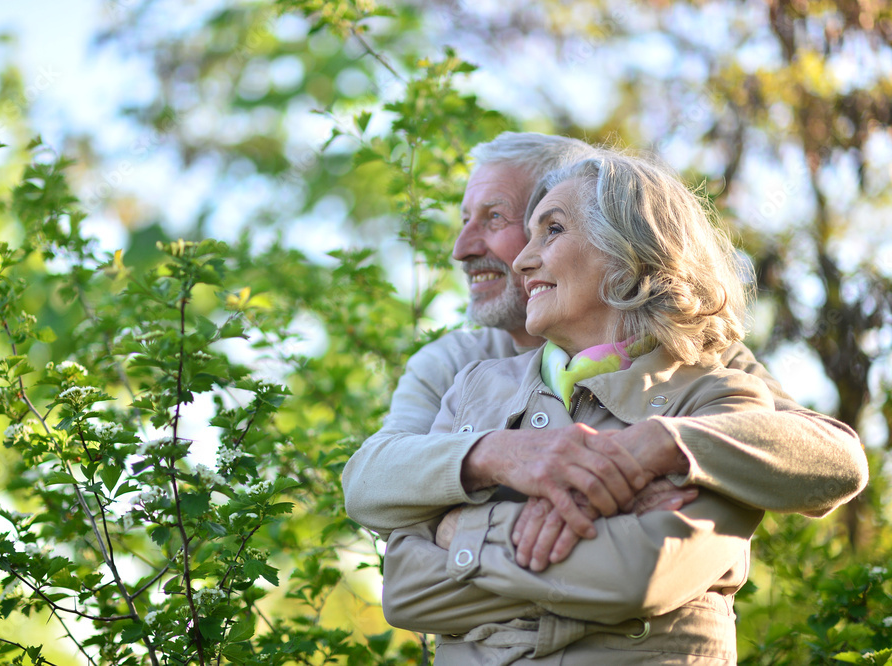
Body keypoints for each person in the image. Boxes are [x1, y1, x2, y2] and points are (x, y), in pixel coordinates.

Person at [342, 132, 867, 573]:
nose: (462, 247)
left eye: (494, 218)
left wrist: (657, 446)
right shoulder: (454, 364)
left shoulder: (691, 356)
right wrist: (498, 455)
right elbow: (370, 483)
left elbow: (833, 457)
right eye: (463, 220)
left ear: (599, 232)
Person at [379, 151, 796, 663]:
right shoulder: (470, 384)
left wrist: (457, 531)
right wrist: (595, 536)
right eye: (527, 234)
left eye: (552, 230)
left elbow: (639, 575)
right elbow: (403, 588)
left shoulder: (720, 399)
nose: (521, 261)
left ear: (633, 252)